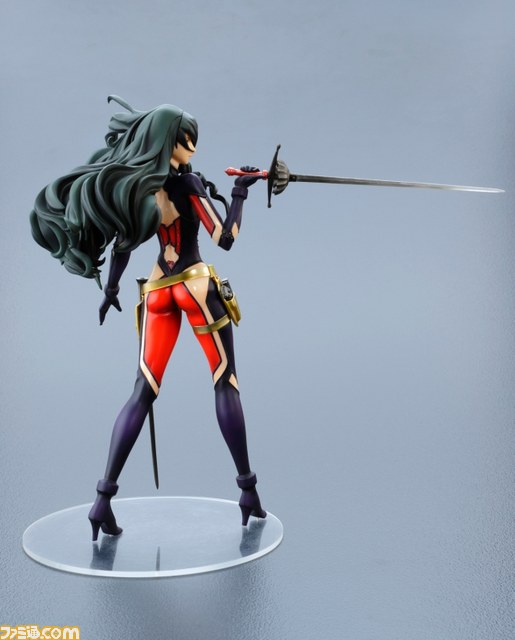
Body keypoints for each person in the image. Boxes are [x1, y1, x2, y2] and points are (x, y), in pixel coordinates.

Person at [30, 96, 267, 541]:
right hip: (194, 286)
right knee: (225, 382)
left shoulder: (138, 186)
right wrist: (240, 193)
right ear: (171, 140)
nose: (193, 145)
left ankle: (102, 500)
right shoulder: (188, 183)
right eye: (187, 138)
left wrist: (111, 290)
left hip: (156, 291)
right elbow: (225, 237)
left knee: (142, 391)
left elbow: (124, 244)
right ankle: (248, 491)